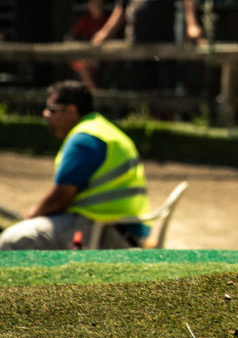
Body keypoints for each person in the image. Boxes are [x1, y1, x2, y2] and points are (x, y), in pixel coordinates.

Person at [0, 80, 151, 250]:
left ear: (71, 110)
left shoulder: (85, 139)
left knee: (12, 241)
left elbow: (60, 196)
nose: (45, 114)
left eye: (51, 109)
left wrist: (33, 214)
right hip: (123, 227)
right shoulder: (101, 129)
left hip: (104, 229)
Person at [91, 0, 203, 91]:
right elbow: (120, 8)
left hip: (164, 40)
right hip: (136, 40)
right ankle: (142, 114)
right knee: (139, 86)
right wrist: (105, 32)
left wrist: (192, 25)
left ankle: (167, 114)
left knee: (166, 85)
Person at [66, 0, 109, 91]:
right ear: (88, 6)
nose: (97, 7)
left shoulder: (108, 22)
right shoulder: (84, 21)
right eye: (94, 4)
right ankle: (95, 93)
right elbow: (71, 38)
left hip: (104, 56)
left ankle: (95, 96)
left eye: (100, 4)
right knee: (83, 67)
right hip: (86, 56)